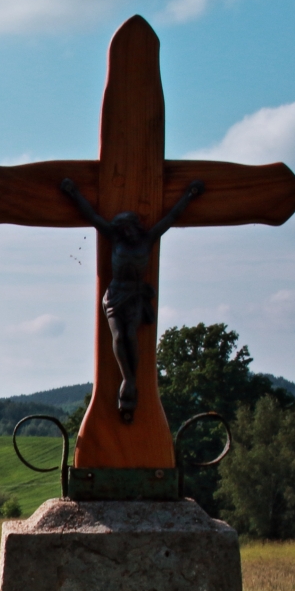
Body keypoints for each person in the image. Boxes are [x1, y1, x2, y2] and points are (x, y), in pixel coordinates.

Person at [60, 177, 205, 424]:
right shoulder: (115, 239)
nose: (123, 231)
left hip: (135, 293)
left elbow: (170, 218)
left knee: (130, 334)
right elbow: (93, 217)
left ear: (133, 227)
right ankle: (128, 378)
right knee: (119, 336)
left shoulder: (147, 240)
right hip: (116, 293)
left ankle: (131, 380)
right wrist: (73, 193)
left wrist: (189, 195)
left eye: (125, 227)